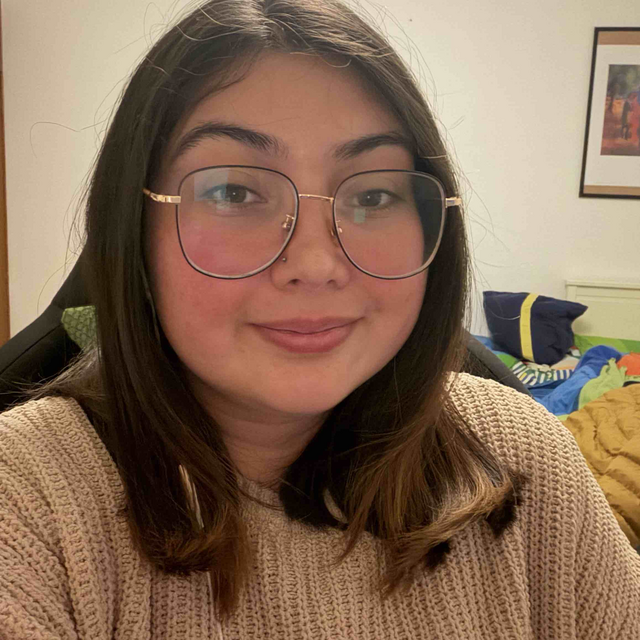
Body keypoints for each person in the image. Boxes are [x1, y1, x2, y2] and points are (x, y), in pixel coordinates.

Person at [0, 0, 638, 637]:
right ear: (133, 228)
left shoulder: (521, 456)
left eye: (373, 194)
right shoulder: (27, 498)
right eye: (232, 192)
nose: (315, 265)